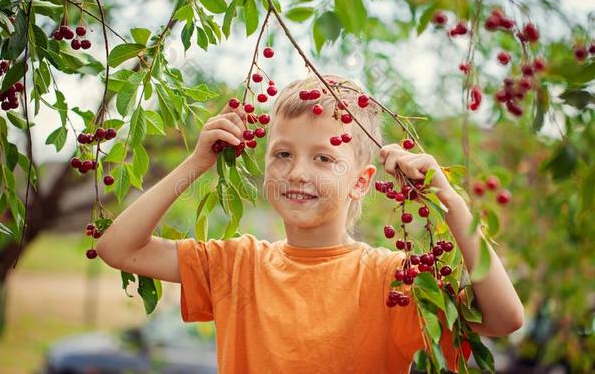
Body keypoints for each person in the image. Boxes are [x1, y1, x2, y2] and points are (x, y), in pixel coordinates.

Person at [96, 75, 524, 373]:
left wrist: (450, 201)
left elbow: (503, 318)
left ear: (360, 182)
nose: (297, 172)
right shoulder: (236, 264)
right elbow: (119, 249)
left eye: (323, 157)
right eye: (283, 154)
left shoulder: (392, 281)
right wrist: (198, 161)